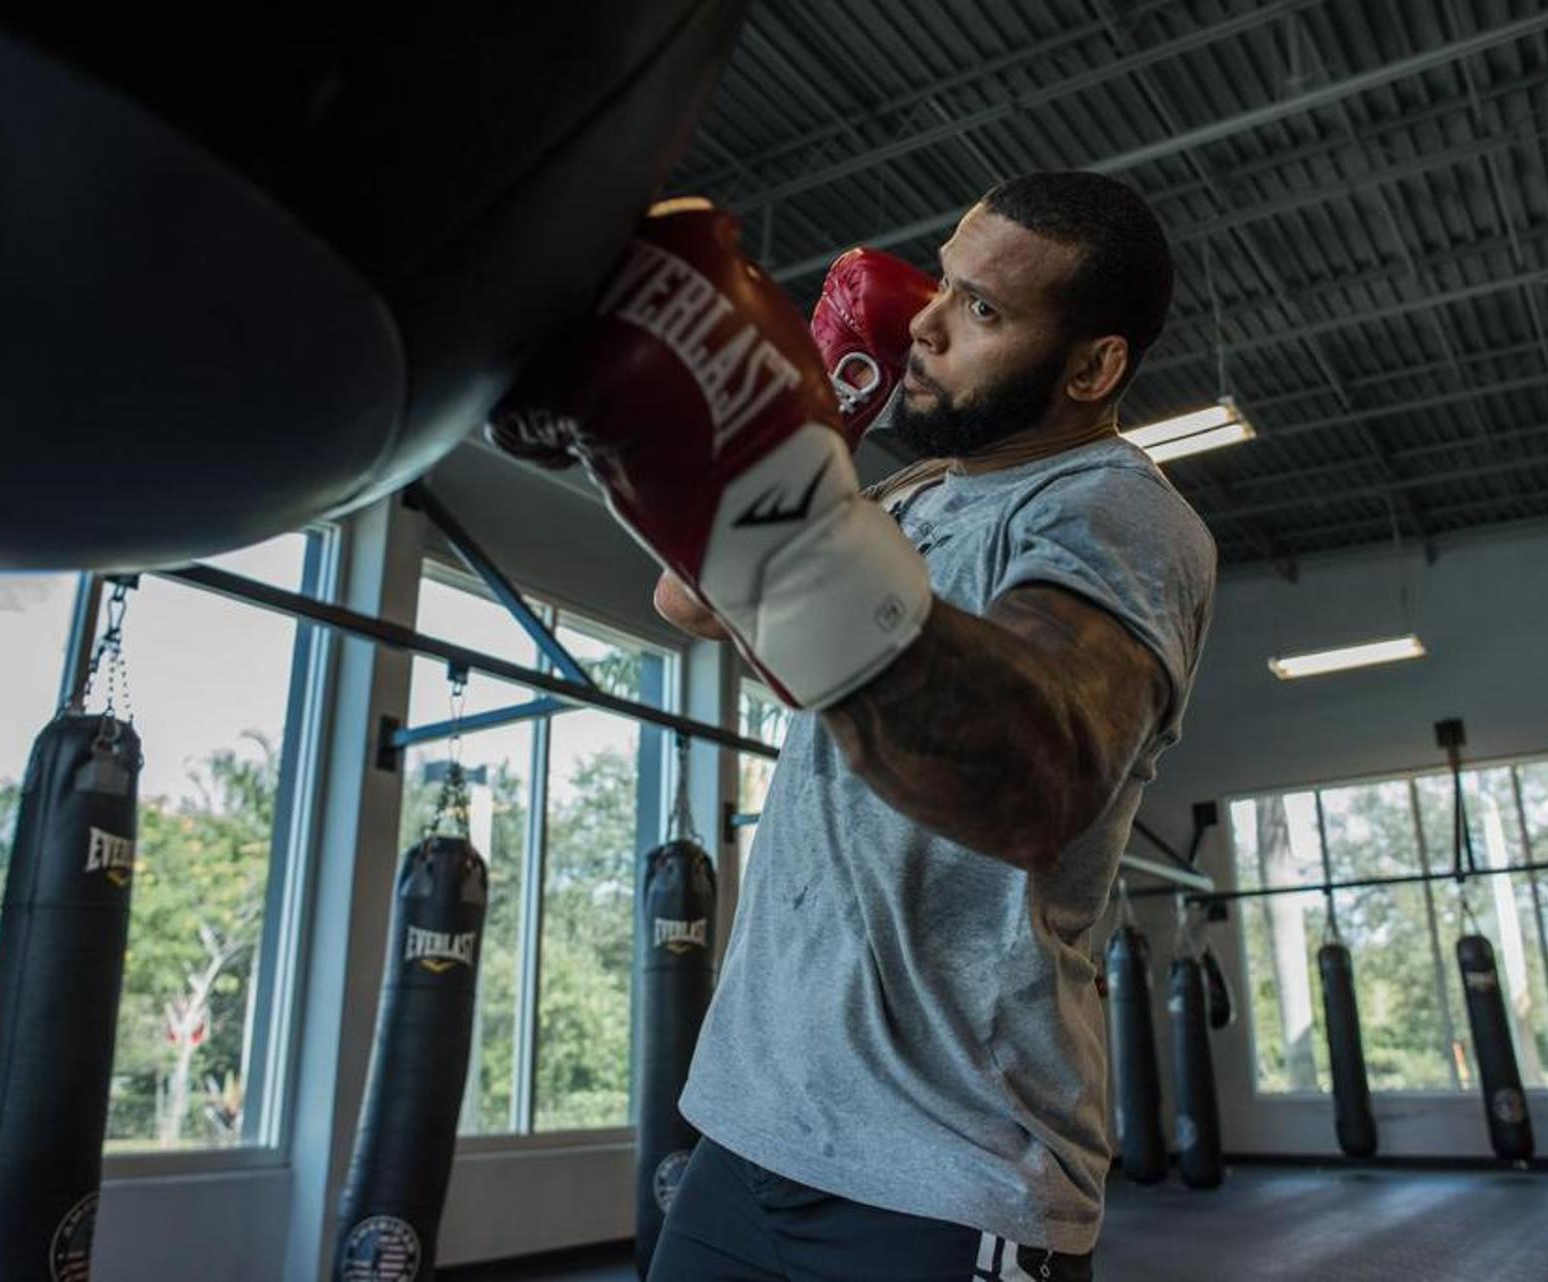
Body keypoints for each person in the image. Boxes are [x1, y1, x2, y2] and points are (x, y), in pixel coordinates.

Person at [491, 172, 1217, 1281]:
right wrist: (765, 420)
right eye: (943, 283)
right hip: (749, 1126)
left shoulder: (1114, 510)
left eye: (981, 310)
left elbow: (1035, 776)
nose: (924, 321)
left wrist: (774, 486)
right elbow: (692, 602)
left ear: (1092, 366)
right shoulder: (917, 493)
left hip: (948, 1166)